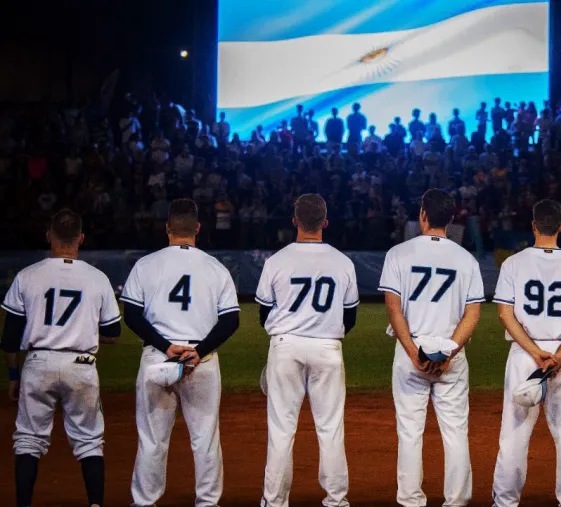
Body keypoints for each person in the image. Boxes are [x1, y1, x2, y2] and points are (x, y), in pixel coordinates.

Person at [122, 198, 240, 507]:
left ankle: (145, 502)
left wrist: (165, 347)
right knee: (205, 438)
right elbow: (231, 319)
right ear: (198, 228)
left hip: (157, 359)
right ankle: (207, 502)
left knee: (152, 439)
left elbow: (132, 316)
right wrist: (198, 350)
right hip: (201, 361)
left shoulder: (146, 264)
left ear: (167, 229)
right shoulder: (215, 267)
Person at [2, 209, 121, 507]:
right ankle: (95, 504)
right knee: (89, 441)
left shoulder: (27, 275)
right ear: (80, 238)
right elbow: (113, 331)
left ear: (49, 235)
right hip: (80, 365)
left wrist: (13, 376)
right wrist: (83, 328)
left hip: (37, 363)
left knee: (29, 439)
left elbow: (10, 337)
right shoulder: (97, 277)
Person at [378, 188, 485, 507]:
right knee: (455, 432)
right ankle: (456, 500)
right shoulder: (466, 259)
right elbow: (473, 312)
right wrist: (450, 349)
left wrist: (412, 351)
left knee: (410, 432)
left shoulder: (398, 254)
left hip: (412, 352)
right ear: (451, 220)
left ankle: (411, 500)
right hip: (451, 355)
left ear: (422, 215)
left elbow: (394, 310)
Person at [256, 194, 359, 507]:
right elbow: (350, 317)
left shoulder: (276, 261)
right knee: (330, 428)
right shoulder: (343, 262)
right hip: (328, 348)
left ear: (294, 221)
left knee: (281, 429)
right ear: (325, 223)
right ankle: (336, 499)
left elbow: (263, 314)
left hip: (285, 346)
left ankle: (274, 501)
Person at [491, 199, 561, 507]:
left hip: (526, 356)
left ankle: (505, 502)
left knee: (514, 434)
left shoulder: (513, 263)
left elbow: (505, 315)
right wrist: (558, 357)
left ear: (533, 225)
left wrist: (536, 353)